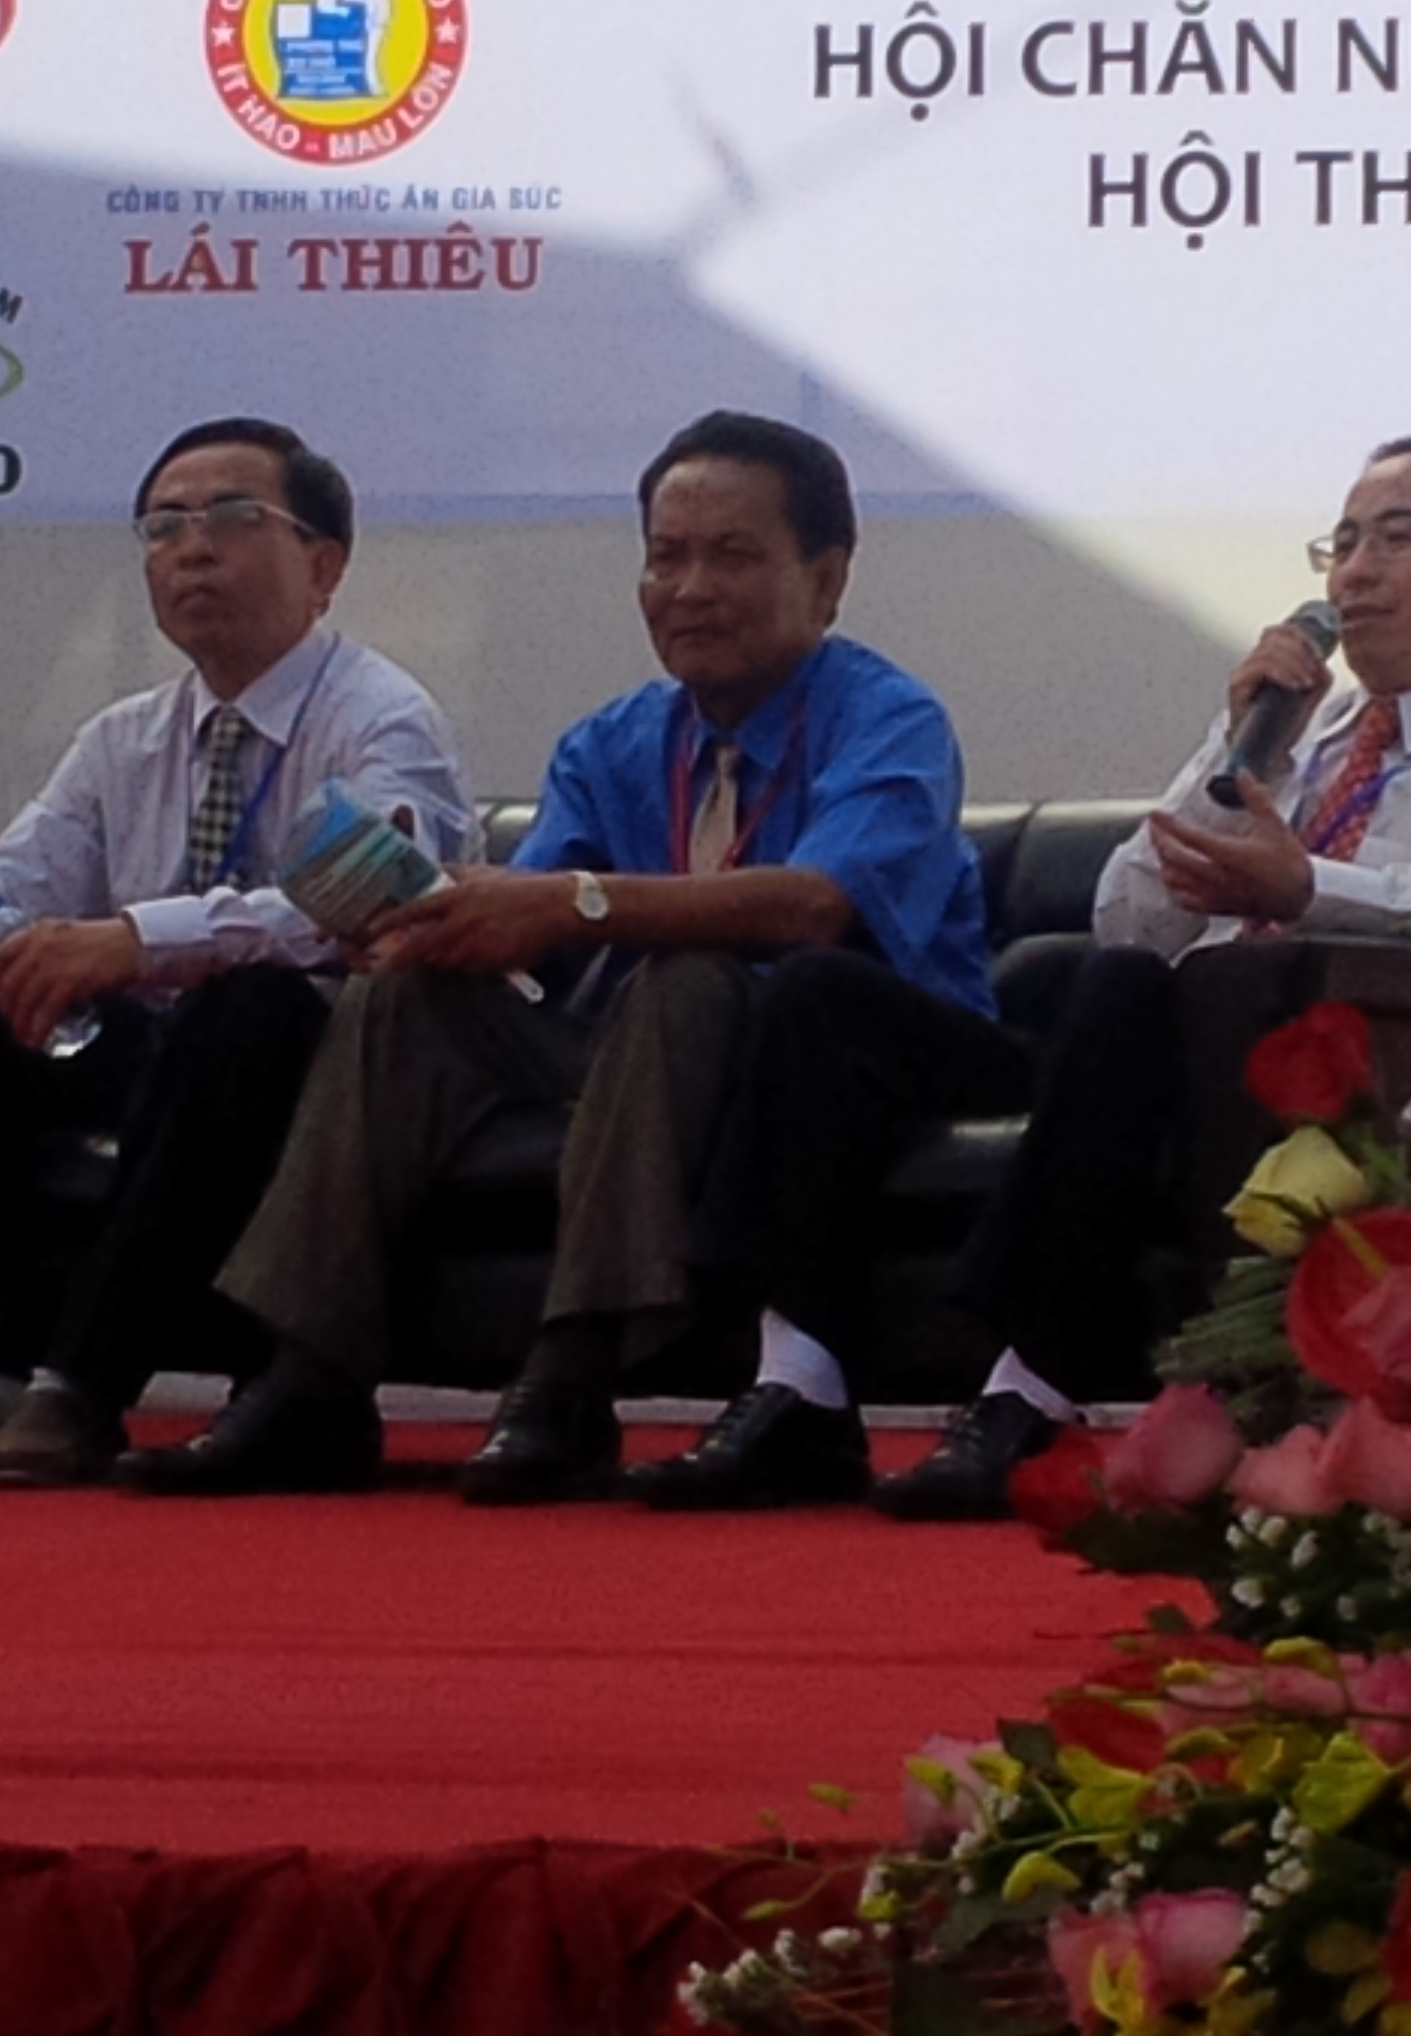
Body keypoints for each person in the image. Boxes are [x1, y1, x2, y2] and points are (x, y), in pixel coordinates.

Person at [625, 434, 1411, 1520]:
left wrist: (1313, 888)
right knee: (826, 995)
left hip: (1308, 1069)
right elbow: (1128, 912)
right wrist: (1244, 748)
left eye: (1396, 538)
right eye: (1342, 543)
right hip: (1136, 1054)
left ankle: (1026, 1391)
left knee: (1125, 991)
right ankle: (799, 1383)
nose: (1354, 573)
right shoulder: (1293, 731)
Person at [117, 408, 1007, 1498]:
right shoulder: (612, 740)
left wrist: (574, 904)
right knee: (402, 998)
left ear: (826, 580)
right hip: (635, 1061)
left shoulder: (888, 718)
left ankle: (569, 1379)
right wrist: (428, 923)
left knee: (687, 975)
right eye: (666, 557)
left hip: (834, 1067)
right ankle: (309, 1376)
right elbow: (527, 933)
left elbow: (816, 908)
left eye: (732, 557)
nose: (690, 589)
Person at [0, 417, 479, 1483]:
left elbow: (363, 908)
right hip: (149, 1054)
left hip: (311, 1067)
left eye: (232, 518)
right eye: (164, 526)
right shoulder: (125, 736)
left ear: (323, 565)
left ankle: (79, 1385)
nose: (192, 549)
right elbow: (24, 885)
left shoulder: (383, 719)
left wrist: (138, 941)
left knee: (250, 1005)